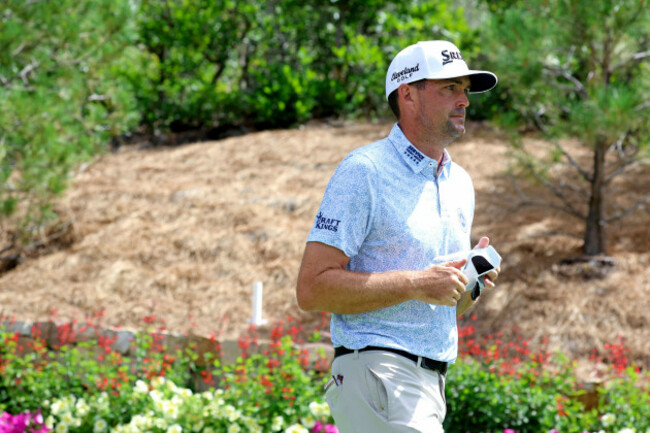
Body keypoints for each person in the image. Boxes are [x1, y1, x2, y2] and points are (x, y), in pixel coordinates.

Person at [296, 40, 501, 433]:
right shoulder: (364, 171)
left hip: (430, 382)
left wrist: (469, 285)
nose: (465, 101)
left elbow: (440, 305)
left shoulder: (460, 183)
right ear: (407, 94)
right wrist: (416, 283)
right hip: (379, 372)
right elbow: (312, 288)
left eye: (465, 90)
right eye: (449, 88)